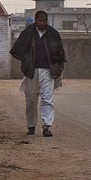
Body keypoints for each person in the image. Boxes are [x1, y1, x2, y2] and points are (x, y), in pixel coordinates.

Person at [10, 9, 64, 137]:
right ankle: (31, 126)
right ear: (36, 21)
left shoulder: (53, 34)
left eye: (44, 20)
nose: (42, 22)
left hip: (48, 70)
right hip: (31, 71)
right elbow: (18, 50)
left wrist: (58, 69)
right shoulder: (28, 33)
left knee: (47, 99)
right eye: (40, 20)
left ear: (47, 21)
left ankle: (47, 126)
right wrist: (27, 60)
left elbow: (59, 53)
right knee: (31, 100)